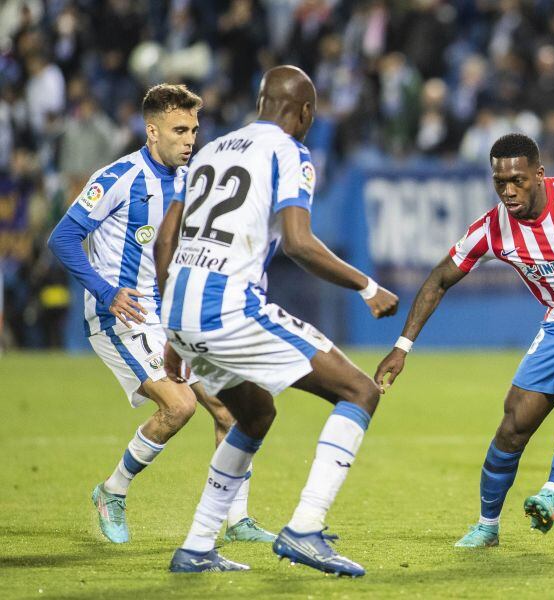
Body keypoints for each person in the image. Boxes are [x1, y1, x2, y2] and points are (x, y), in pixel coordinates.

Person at [157, 65, 398, 576]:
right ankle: (306, 528)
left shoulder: (209, 150)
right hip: (228, 306)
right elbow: (298, 242)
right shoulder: (290, 151)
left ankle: (198, 545)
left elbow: (165, 242)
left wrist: (172, 330)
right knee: (359, 391)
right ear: (304, 112)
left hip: (180, 305)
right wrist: (367, 286)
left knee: (256, 414)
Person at [375, 133, 554, 548]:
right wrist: (402, 347)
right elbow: (439, 279)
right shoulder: (493, 229)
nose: (509, 191)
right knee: (513, 426)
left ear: (539, 174)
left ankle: (552, 491)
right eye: (500, 182)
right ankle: (487, 526)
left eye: (518, 180)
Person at [47, 84, 274, 544]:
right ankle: (112, 491)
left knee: (233, 411)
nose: (189, 139)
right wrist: (107, 292)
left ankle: (238, 520)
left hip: (173, 316)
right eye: (179, 130)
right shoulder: (118, 178)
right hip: (121, 316)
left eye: (193, 129)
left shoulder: (195, 179)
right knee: (180, 404)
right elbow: (62, 239)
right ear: (152, 131)